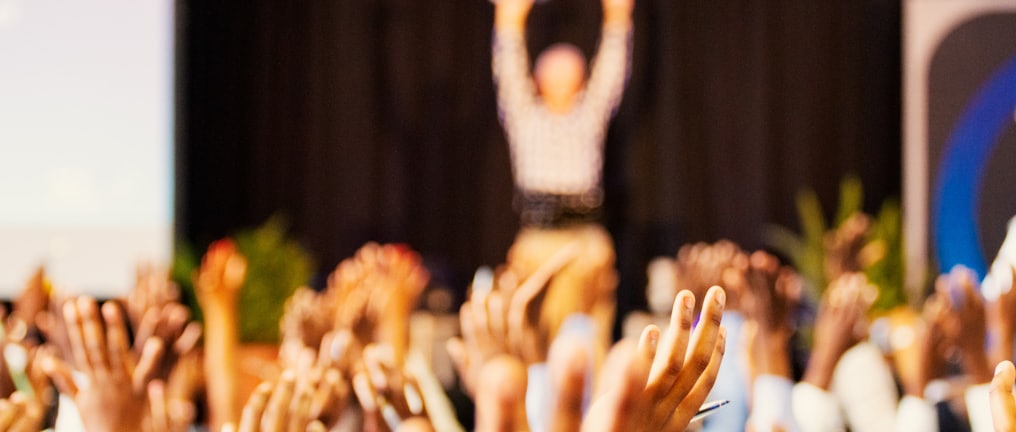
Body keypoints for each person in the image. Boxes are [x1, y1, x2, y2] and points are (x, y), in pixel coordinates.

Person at [492, 0, 634, 370]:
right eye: (553, 73)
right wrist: (509, 19)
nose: (561, 80)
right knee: (537, 340)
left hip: (585, 241)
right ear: (538, 80)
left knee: (590, 343)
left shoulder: (588, 117)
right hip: (539, 240)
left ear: (582, 79)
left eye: (570, 72)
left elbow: (612, 74)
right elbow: (507, 70)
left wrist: (618, 17)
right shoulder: (526, 116)